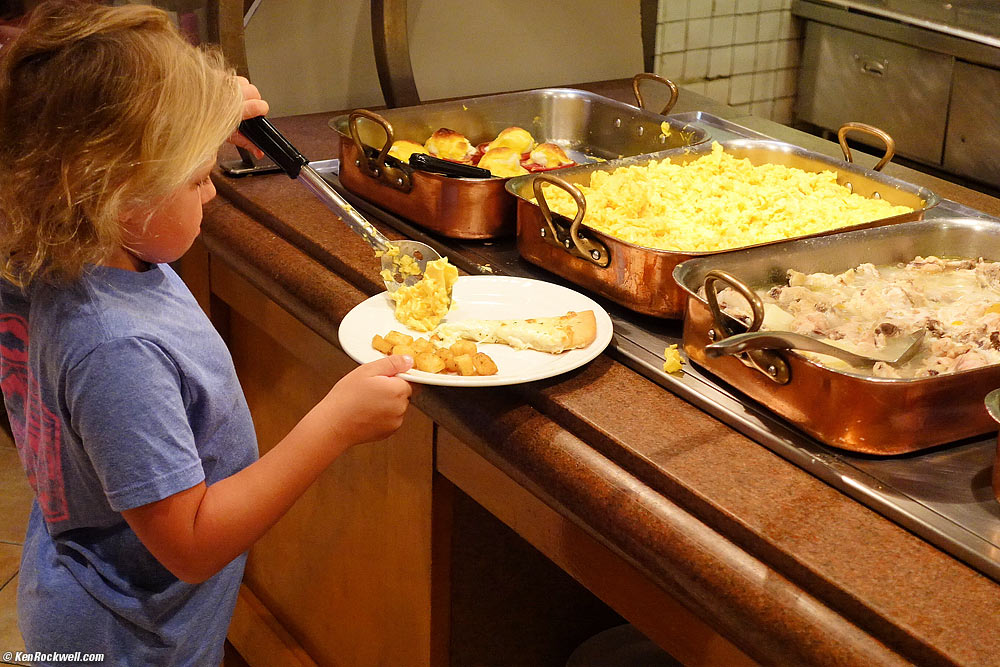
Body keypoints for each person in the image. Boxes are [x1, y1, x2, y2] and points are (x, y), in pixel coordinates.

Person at [0, 3, 414, 665]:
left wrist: (190, 110)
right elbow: (190, 545)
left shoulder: (58, 243)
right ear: (111, 192)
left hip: (101, 588)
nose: (212, 192)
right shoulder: (116, 351)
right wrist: (334, 423)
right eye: (195, 177)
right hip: (126, 640)